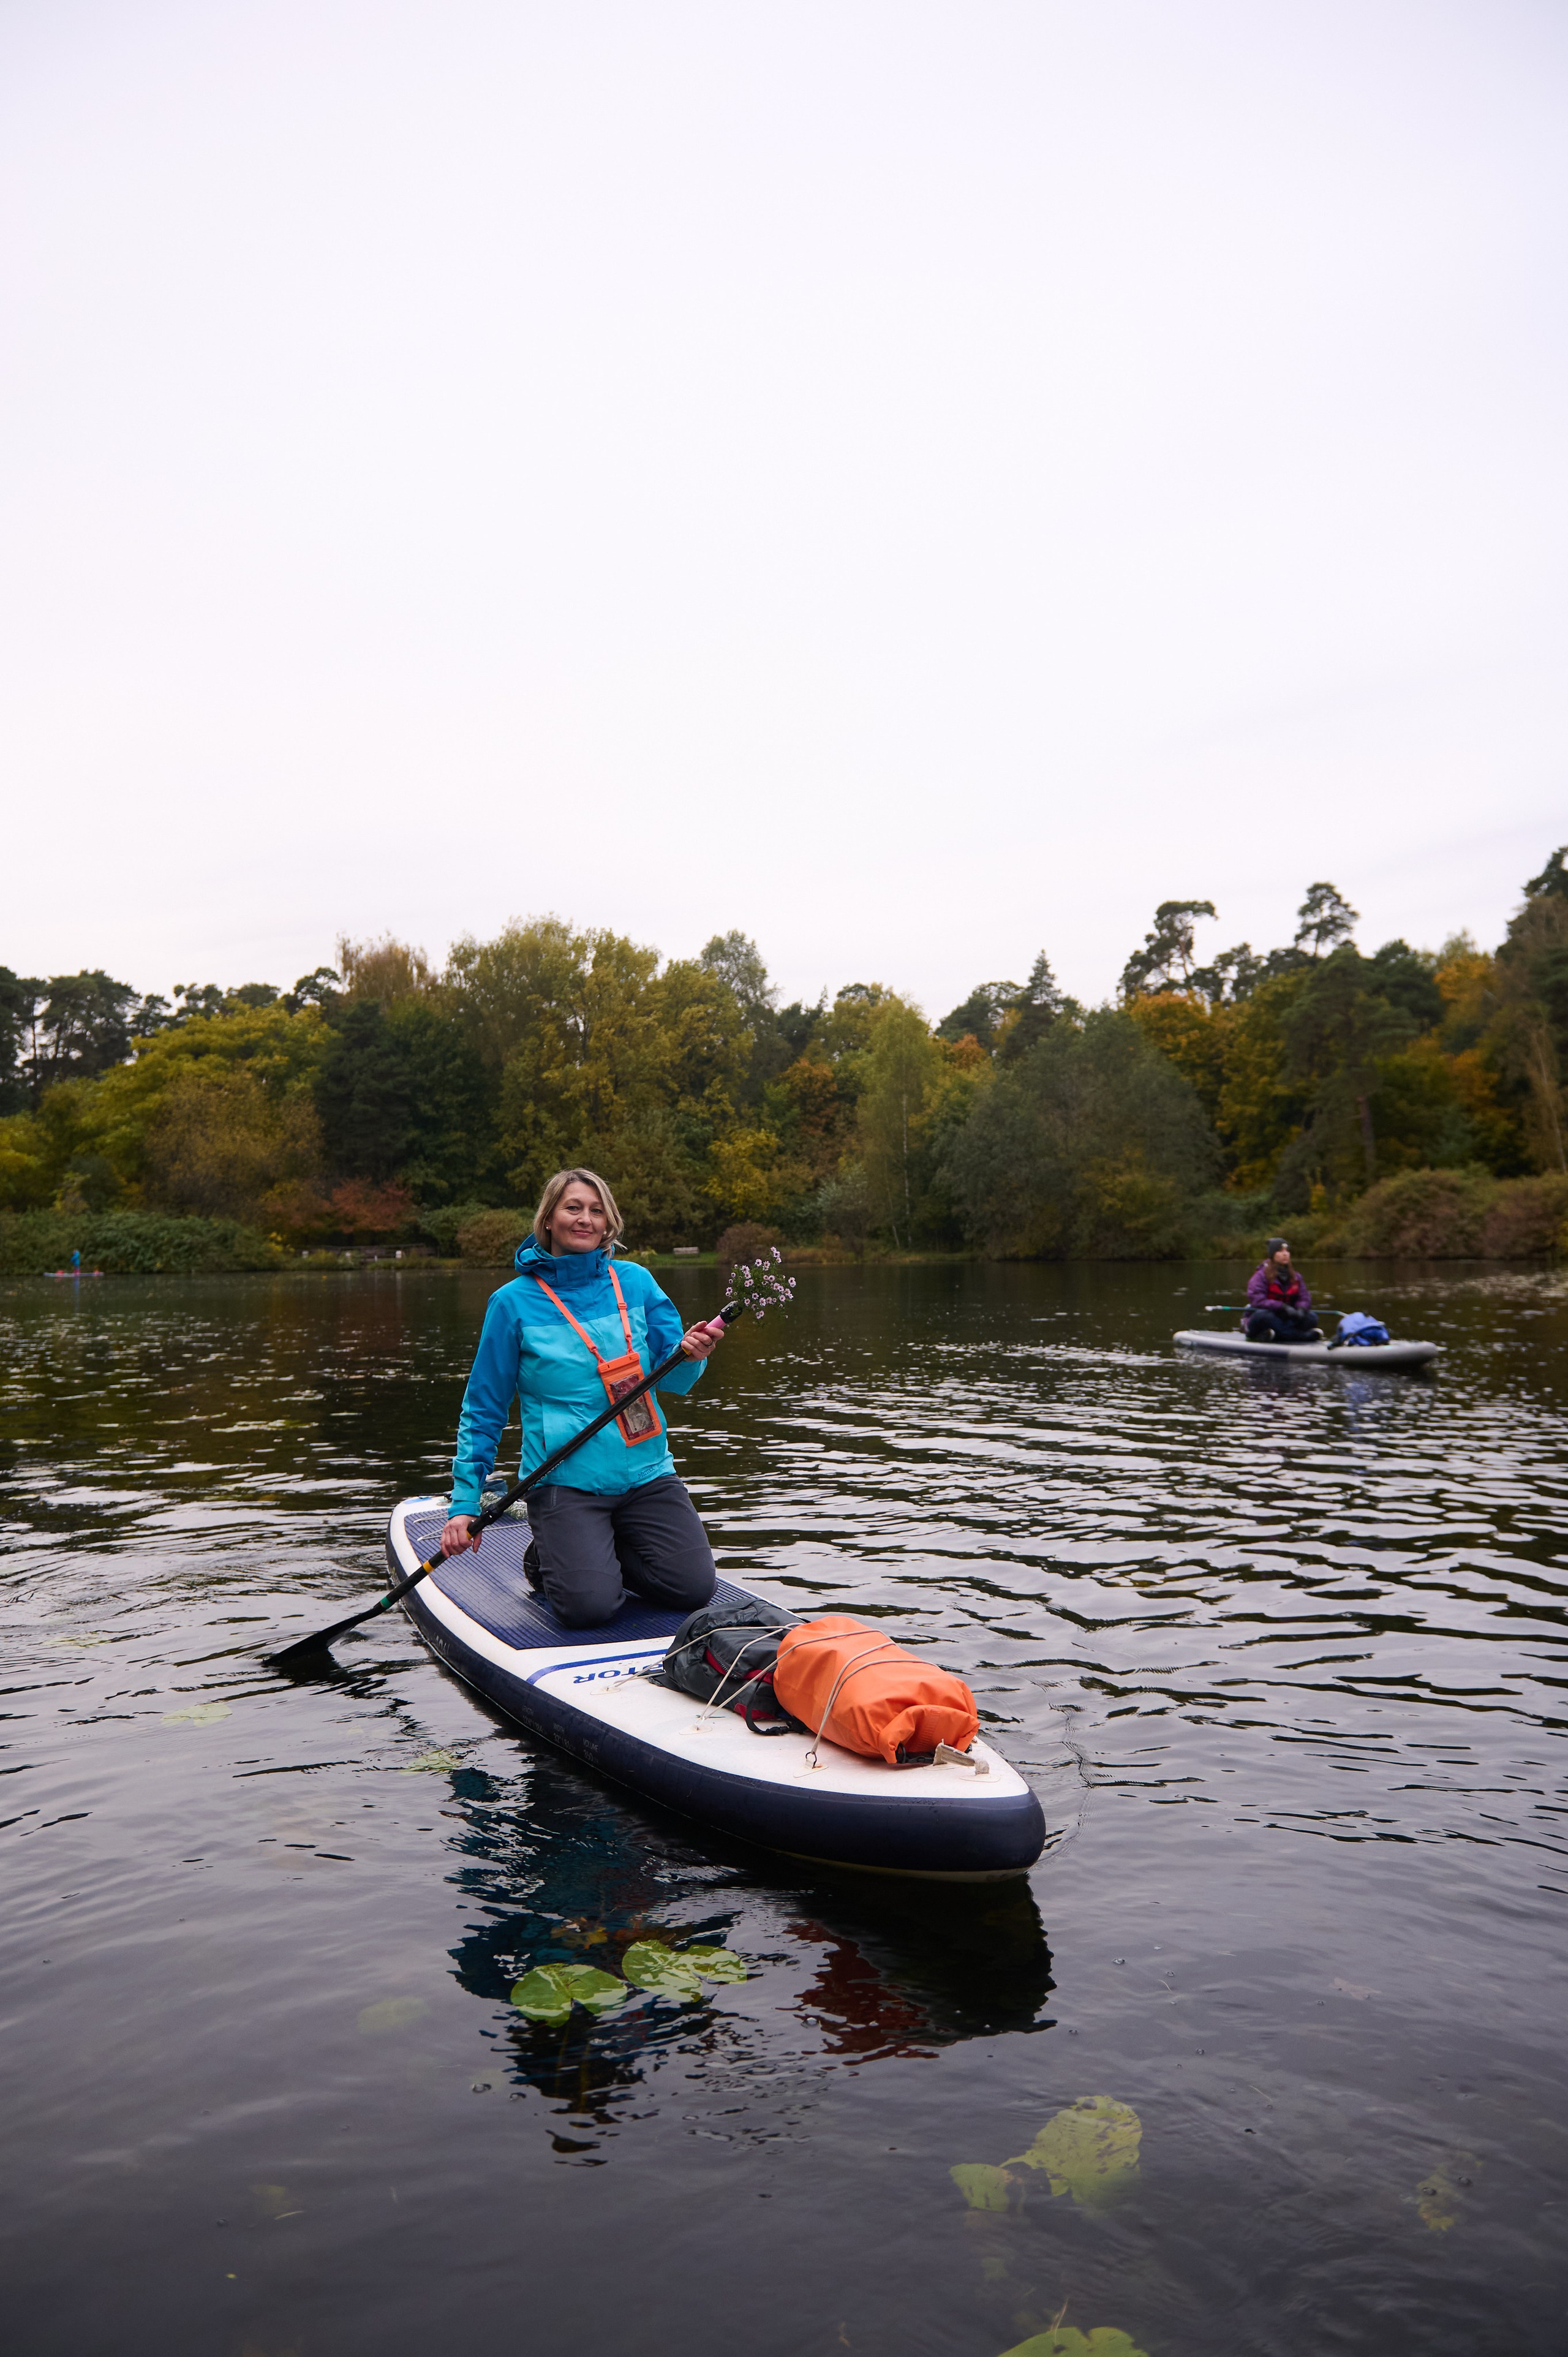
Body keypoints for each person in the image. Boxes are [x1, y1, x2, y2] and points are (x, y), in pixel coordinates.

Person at [439, 1167, 726, 1629]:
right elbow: (483, 1408)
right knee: (590, 1609)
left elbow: (676, 1379)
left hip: (648, 1473)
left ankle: (592, 1550)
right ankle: (546, 1559)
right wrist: (465, 1503)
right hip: (565, 1481)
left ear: (608, 1223)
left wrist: (694, 1354)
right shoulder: (512, 1303)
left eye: (597, 1211)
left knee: (692, 1588)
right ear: (548, 1219)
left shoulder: (636, 1282)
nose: (585, 1219)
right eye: (573, 1208)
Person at [1244, 1237, 1321, 1342]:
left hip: (1286, 1318)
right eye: (1280, 1251)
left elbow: (1304, 1298)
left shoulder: (1296, 1277)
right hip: (1267, 1316)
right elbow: (1257, 1299)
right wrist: (1282, 1307)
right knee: (1263, 1317)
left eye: (1287, 1251)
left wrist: (1301, 1310)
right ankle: (1301, 1336)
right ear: (1273, 1254)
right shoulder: (1260, 1276)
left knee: (1312, 1317)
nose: (1285, 1254)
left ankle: (1277, 1335)